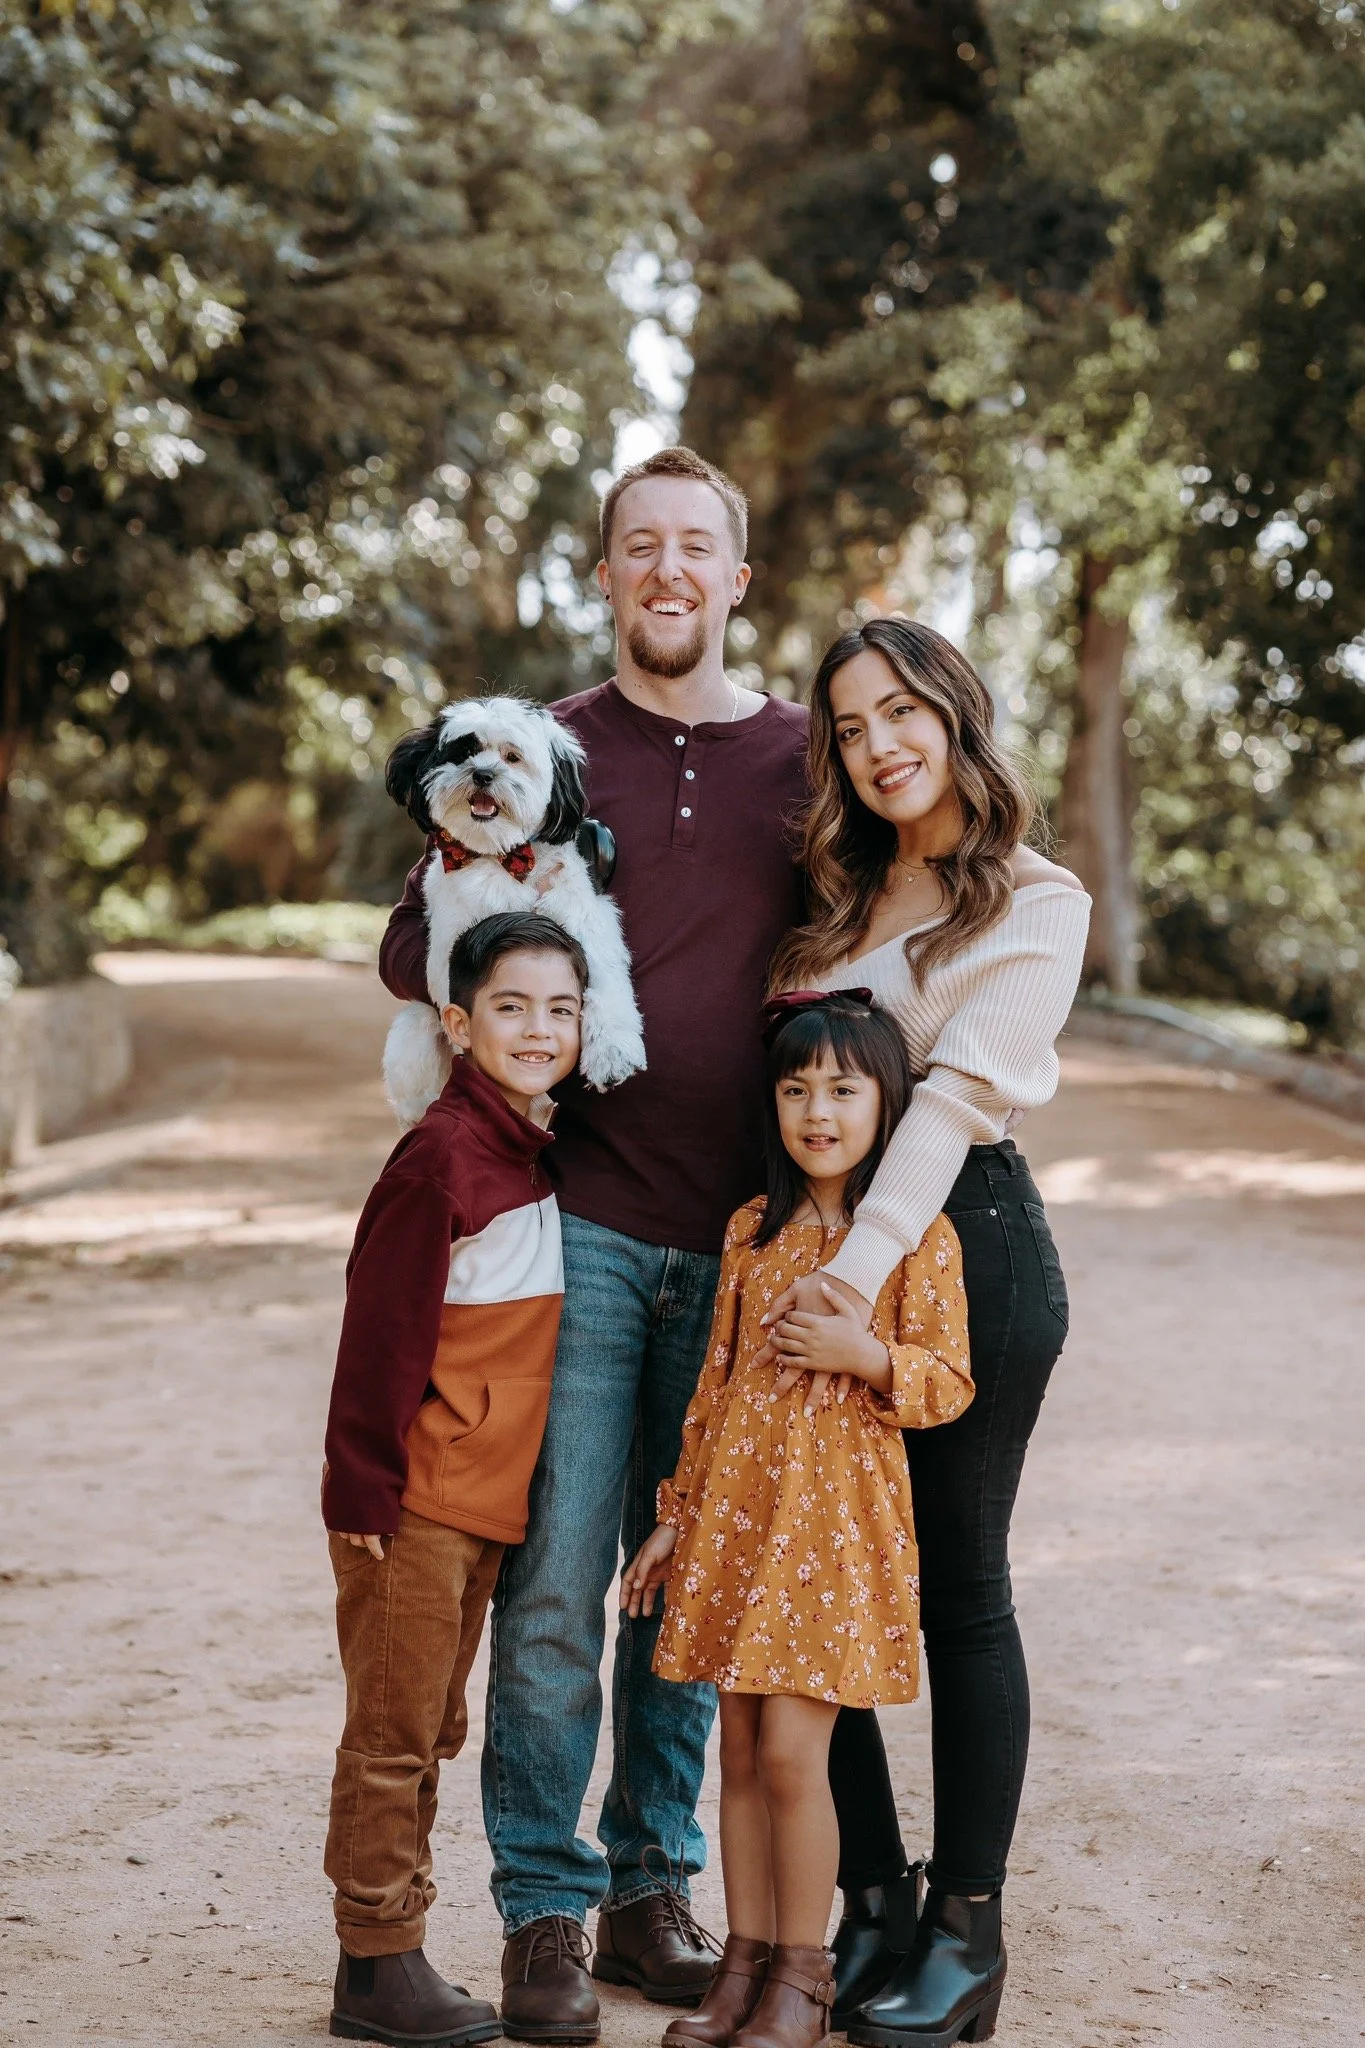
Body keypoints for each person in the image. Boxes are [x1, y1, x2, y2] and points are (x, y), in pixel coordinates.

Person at [378, 447, 810, 2041]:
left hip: (745, 1236)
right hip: (584, 1228)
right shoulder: (535, 750)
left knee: (685, 1589)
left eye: (698, 547)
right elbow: (409, 942)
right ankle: (546, 1914)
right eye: (642, 546)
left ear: (736, 578)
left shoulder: (798, 756)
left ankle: (651, 1886)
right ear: (610, 571)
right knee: (559, 1585)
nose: (669, 571)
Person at [762, 618, 1090, 2048]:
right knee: (814, 1585)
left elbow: (952, 1106)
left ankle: (966, 1935)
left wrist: (853, 1277)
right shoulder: (833, 897)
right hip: (813, 1257)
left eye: (903, 710)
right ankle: (874, 1901)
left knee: (957, 1592)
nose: (880, 742)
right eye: (849, 724)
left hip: (962, 1254)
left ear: (958, 714)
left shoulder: (1032, 896)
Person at [619, 993, 973, 2048]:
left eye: (843, 1088)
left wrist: (868, 1356)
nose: (818, 1109)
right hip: (736, 1518)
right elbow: (713, 1384)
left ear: (888, 1102)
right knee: (732, 1754)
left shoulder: (914, 1236)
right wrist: (677, 1515)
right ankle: (744, 1962)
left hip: (832, 1528)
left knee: (789, 1758)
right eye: (796, 1087)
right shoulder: (749, 1231)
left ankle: (804, 1980)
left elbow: (946, 1381)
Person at [321, 912, 587, 2048]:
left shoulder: (529, 1148)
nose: (538, 1028)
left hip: (480, 1499)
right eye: (513, 1006)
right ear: (457, 1019)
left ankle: (393, 1948)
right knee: (391, 1729)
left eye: (561, 1008)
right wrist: (361, 1490)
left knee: (429, 1724)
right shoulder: (442, 1155)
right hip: (417, 1501)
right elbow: (378, 1333)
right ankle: (375, 1965)